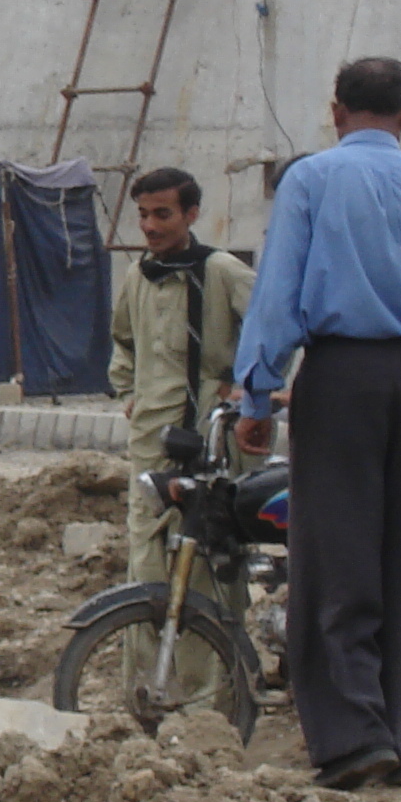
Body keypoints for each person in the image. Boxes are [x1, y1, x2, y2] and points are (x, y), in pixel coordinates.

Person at [233, 58, 401, 792]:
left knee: (335, 557)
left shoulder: (312, 181)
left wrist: (257, 395)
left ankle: (353, 736)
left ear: (336, 110)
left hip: (342, 379)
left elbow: (279, 290)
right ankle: (399, 733)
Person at [108, 167, 255, 597]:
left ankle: (207, 664)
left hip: (210, 436)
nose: (150, 226)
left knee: (208, 556)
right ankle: (150, 664)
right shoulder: (139, 275)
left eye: (163, 214)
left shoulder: (222, 271)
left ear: (191, 214)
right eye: (143, 214)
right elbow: (123, 340)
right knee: (147, 556)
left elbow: (273, 327)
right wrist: (130, 392)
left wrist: (249, 386)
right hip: (152, 437)